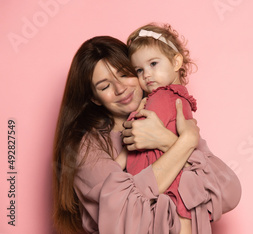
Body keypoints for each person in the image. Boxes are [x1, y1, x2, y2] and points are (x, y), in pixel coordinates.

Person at [52, 36, 241, 234]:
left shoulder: (165, 120)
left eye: (125, 74)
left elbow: (228, 193)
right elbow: (126, 211)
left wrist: (166, 141)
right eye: (105, 86)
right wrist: (185, 143)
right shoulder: (86, 144)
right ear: (94, 98)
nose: (120, 89)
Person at [110, 23, 223, 234]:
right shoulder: (172, 97)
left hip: (166, 183)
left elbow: (138, 131)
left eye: (153, 63)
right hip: (163, 183)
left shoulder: (165, 96)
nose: (147, 75)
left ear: (176, 61)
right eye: (140, 70)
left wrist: (136, 114)